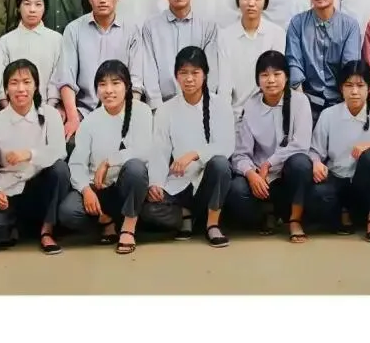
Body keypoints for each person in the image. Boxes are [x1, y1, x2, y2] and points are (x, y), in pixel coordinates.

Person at [0, 60, 71, 255]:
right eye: (14, 83)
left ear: (36, 86)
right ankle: (18, 225)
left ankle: (47, 230)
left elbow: (59, 151)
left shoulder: (50, 114)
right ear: (6, 89)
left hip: (40, 186)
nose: (20, 89)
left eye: (27, 82)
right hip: (10, 190)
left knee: (60, 169)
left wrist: (30, 154)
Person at [143, 46, 235, 247]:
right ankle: (186, 215)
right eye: (183, 73)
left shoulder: (220, 105)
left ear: (205, 74)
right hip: (178, 185)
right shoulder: (166, 110)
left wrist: (194, 154)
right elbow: (159, 150)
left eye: (195, 72)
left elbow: (227, 145)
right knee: (147, 211)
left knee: (220, 164)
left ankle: (212, 224)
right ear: (176, 76)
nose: (189, 79)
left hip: (208, 183)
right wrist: (156, 183)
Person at [58, 59, 152, 254]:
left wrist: (110, 161)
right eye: (102, 84)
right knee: (68, 212)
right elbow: (77, 163)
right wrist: (86, 190)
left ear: (127, 86)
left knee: (135, 168)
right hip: (101, 190)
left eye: (115, 83)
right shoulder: (90, 121)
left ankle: (128, 227)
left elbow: (145, 150)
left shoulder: (142, 111)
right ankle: (107, 221)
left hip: (129, 188)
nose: (109, 90)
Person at [225, 50, 313, 242]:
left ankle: (294, 220)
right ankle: (266, 215)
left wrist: (269, 163)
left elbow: (301, 144)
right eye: (265, 75)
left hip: (288, 175)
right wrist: (251, 174)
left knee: (301, 163)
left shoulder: (300, 101)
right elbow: (241, 154)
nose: (271, 80)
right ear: (258, 80)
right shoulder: (250, 106)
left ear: (286, 77)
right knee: (236, 191)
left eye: (277, 74)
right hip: (261, 179)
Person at [309, 60, 370, 242]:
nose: (354, 91)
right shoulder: (329, 115)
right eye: (348, 85)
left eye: (360, 85)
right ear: (341, 88)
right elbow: (314, 150)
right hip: (337, 178)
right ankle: (344, 213)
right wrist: (316, 162)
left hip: (365, 184)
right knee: (317, 195)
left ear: (369, 88)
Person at [55, 0, 145, 141]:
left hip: (122, 111)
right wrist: (73, 118)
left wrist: (128, 117)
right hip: (83, 112)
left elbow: (136, 82)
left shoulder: (132, 31)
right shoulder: (74, 30)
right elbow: (66, 78)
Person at [286, 0, 361, 124]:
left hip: (340, 102)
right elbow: (294, 63)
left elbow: (350, 67)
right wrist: (301, 107)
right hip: (306, 100)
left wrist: (344, 108)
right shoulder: (297, 24)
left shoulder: (350, 26)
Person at [142, 0, 218, 108]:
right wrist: (157, 107)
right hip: (163, 104)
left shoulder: (208, 26)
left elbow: (211, 69)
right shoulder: (151, 27)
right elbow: (149, 69)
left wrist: (203, 104)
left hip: (199, 104)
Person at [216, 0, 288, 119]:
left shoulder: (277, 34)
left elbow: (276, 80)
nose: (251, 3)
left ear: (265, 2)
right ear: (238, 0)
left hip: (268, 112)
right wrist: (224, 117)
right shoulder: (225, 36)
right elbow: (224, 85)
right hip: (235, 114)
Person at [0, 0, 62, 105]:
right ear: (18, 7)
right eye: (27, 4)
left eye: (38, 4)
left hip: (47, 106)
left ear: (45, 8)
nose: (32, 10)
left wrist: (50, 107)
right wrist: (7, 107)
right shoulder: (6, 41)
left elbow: (58, 76)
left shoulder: (56, 40)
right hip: (12, 106)